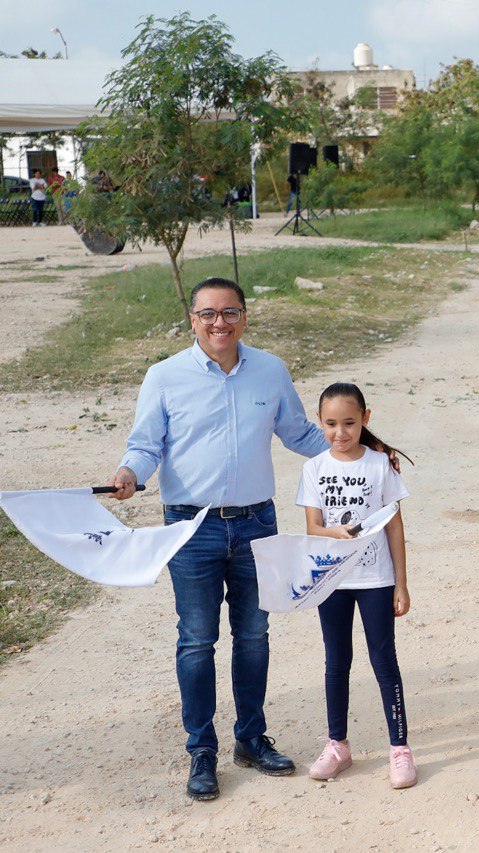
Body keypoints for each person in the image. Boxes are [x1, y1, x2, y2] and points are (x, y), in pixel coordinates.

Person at [108, 276, 330, 801]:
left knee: (254, 636)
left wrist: (361, 450)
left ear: (244, 317)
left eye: (229, 312)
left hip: (257, 522)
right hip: (191, 526)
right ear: (192, 320)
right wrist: (128, 473)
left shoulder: (270, 370)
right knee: (197, 639)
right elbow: (146, 445)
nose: (219, 323)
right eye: (208, 313)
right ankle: (201, 749)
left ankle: (251, 738)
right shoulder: (164, 377)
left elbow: (300, 433)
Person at [298, 383, 416, 789]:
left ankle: (399, 749)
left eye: (349, 423)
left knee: (384, 661)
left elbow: (395, 526)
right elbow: (313, 527)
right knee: (336, 661)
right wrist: (340, 533)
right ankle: (337, 746)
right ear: (320, 423)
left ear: (366, 419)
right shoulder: (313, 469)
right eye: (331, 424)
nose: (340, 432)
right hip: (331, 580)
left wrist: (401, 583)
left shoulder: (380, 465)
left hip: (376, 581)